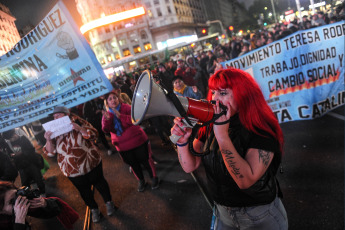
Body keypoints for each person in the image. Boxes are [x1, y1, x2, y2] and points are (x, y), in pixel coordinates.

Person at [171, 69, 288, 229]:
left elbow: (245, 180)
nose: (215, 99)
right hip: (222, 212)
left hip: (259, 215)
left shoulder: (261, 127)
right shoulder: (210, 121)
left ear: (243, 95)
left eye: (223, 93)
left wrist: (222, 135)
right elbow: (190, 166)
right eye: (213, 92)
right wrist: (183, 142)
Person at [43, 106, 116, 223]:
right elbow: (50, 152)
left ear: (67, 115)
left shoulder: (77, 121)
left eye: (58, 115)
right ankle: (94, 209)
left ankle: (109, 203)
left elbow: (94, 134)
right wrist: (47, 139)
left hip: (91, 163)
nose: (55, 118)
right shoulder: (52, 130)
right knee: (84, 192)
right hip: (71, 171)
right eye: (54, 117)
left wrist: (80, 129)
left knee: (100, 183)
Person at [102, 91, 159, 192]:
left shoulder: (126, 107)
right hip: (122, 146)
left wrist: (121, 116)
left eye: (114, 97)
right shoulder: (107, 115)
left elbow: (136, 120)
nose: (113, 100)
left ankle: (154, 178)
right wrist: (107, 120)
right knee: (133, 164)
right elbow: (106, 130)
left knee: (146, 160)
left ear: (118, 98)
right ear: (107, 103)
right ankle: (141, 180)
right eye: (110, 99)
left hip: (138, 141)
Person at [0, 181, 78, 230]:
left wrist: (45, 203)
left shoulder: (19, 205)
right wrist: (19, 224)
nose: (19, 200)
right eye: (11, 201)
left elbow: (54, 211)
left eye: (17, 194)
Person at [2, 129, 46, 197]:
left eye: (12, 137)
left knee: (38, 179)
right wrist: (12, 156)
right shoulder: (8, 143)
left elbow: (32, 149)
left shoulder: (22, 138)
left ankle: (43, 193)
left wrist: (21, 153)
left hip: (31, 162)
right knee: (25, 183)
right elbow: (9, 153)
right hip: (20, 165)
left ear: (14, 134)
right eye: (9, 139)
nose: (12, 139)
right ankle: (28, 195)